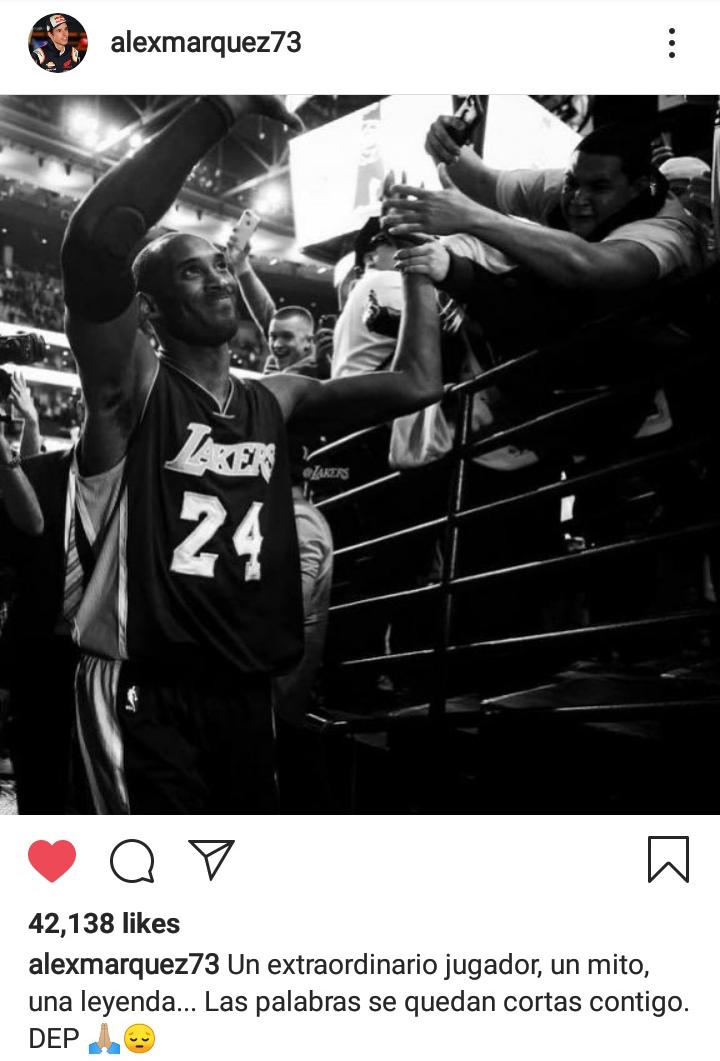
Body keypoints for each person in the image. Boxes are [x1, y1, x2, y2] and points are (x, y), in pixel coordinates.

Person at [60, 94, 443, 815]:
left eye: (218, 265)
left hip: (243, 689)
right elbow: (97, 239)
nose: (216, 277)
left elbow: (419, 382)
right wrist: (221, 109)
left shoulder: (277, 397)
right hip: (145, 687)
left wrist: (419, 264)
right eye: (190, 272)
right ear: (150, 309)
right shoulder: (131, 388)